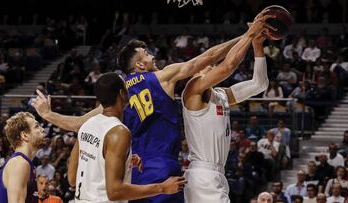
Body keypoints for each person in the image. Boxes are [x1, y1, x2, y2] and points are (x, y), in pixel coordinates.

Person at [31, 14, 265, 203]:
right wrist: (246, 34)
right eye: (147, 54)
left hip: (135, 175)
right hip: (163, 167)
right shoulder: (162, 78)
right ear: (141, 65)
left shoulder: (119, 95)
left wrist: (48, 114)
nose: (152, 55)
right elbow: (207, 58)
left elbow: (79, 123)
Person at [181, 11, 273, 202]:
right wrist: (249, 34)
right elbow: (228, 67)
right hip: (203, 173)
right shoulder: (192, 89)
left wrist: (257, 45)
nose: (211, 66)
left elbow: (260, 84)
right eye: (207, 64)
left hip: (217, 173)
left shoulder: (221, 95)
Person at [63, 73, 186, 202]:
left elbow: (72, 179)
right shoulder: (118, 132)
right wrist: (162, 188)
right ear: (122, 93)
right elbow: (115, 192)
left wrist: (125, 161)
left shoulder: (87, 125)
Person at [0, 112, 45, 203]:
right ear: (24, 135)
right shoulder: (19, 163)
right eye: (37, 126)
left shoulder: (25, 163)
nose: (43, 130)